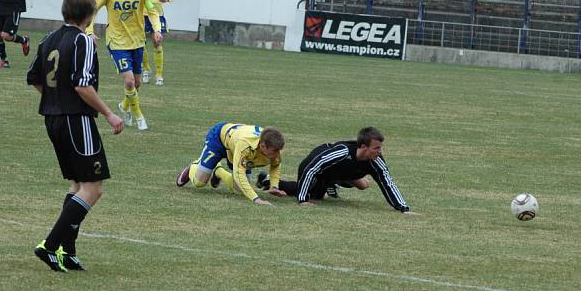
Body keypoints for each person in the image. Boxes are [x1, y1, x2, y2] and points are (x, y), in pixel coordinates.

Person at [28, 0, 124, 272]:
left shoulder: (49, 39)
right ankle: (50, 245)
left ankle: (67, 251)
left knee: (78, 186)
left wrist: (55, 99)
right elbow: (82, 84)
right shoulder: (83, 40)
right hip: (76, 119)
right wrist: (108, 114)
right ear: (90, 14)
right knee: (93, 188)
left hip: (53, 119)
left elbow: (33, 77)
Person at [259, 127, 414, 214]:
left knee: (364, 185)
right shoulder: (342, 152)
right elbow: (312, 168)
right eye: (376, 148)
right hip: (317, 168)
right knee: (314, 195)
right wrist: (303, 200)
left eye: (380, 148)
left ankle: (333, 184)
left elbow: (387, 182)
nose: (380, 152)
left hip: (341, 173)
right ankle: (269, 181)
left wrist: (403, 208)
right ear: (363, 147)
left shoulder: (376, 160)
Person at [86, 0, 161, 131]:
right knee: (129, 82)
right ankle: (140, 117)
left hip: (137, 42)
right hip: (117, 43)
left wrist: (156, 30)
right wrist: (89, 32)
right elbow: (92, 10)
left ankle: (125, 107)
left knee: (137, 83)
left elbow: (152, 11)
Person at [176, 123, 286, 205]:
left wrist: (274, 186)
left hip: (234, 145)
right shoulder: (245, 145)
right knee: (199, 182)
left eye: (279, 150)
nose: (277, 154)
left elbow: (275, 165)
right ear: (262, 146)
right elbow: (239, 174)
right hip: (219, 138)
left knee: (239, 189)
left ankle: (218, 171)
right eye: (275, 151)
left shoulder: (272, 148)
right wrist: (256, 199)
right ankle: (194, 166)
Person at [136, 0, 175, 86]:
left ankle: (159, 75)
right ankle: (146, 70)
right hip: (140, 11)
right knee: (141, 42)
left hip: (156, 12)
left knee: (157, 41)